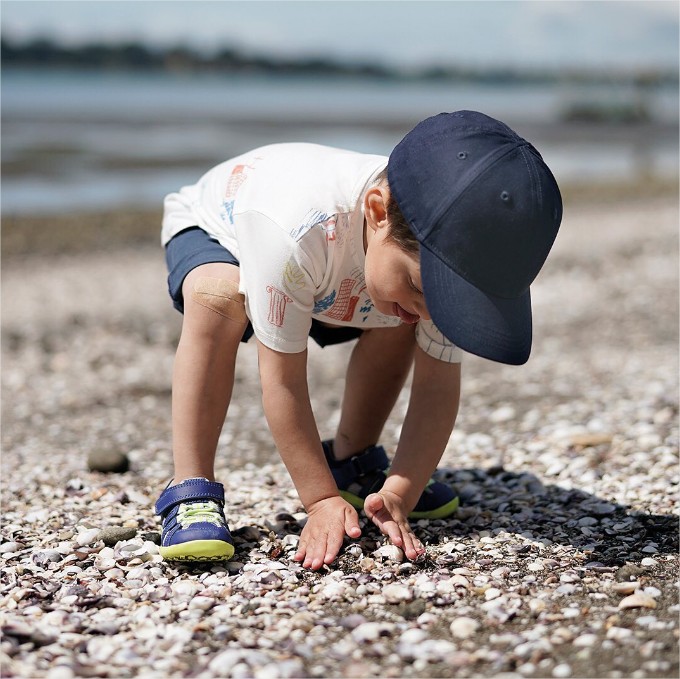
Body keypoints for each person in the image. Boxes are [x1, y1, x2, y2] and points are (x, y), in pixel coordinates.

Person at [154, 111, 562, 570]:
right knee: (217, 298)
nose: (433, 312)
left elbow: (436, 386)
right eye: (425, 288)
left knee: (402, 314)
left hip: (339, 279)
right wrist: (319, 500)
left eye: (450, 301)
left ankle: (353, 461)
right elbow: (282, 382)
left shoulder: (435, 252)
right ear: (377, 212)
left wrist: (402, 490)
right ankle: (190, 489)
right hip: (224, 230)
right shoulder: (294, 232)